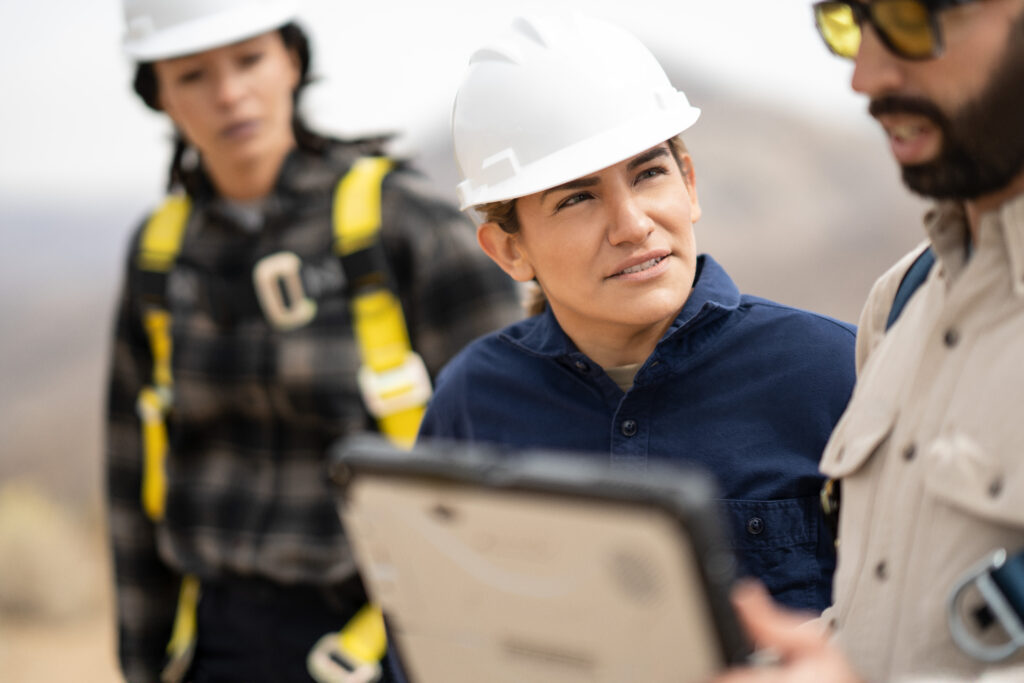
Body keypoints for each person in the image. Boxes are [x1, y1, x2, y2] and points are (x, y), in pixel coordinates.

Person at [105, 1, 521, 682]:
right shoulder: (160, 254)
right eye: (192, 75)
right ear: (159, 95)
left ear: (292, 61)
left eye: (249, 60)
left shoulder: (401, 221)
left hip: (390, 636)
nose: (230, 94)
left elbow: (512, 442)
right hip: (217, 640)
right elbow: (130, 473)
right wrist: (143, 662)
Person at [418, 13, 857, 617]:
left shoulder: (836, 374)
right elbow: (434, 635)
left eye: (648, 173)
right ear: (510, 250)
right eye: (577, 198)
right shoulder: (472, 404)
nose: (633, 226)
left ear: (690, 184)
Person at [713, 0, 1024, 681]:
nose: (866, 76)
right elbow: (882, 625)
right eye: (849, 24)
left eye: (912, 18)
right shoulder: (900, 301)